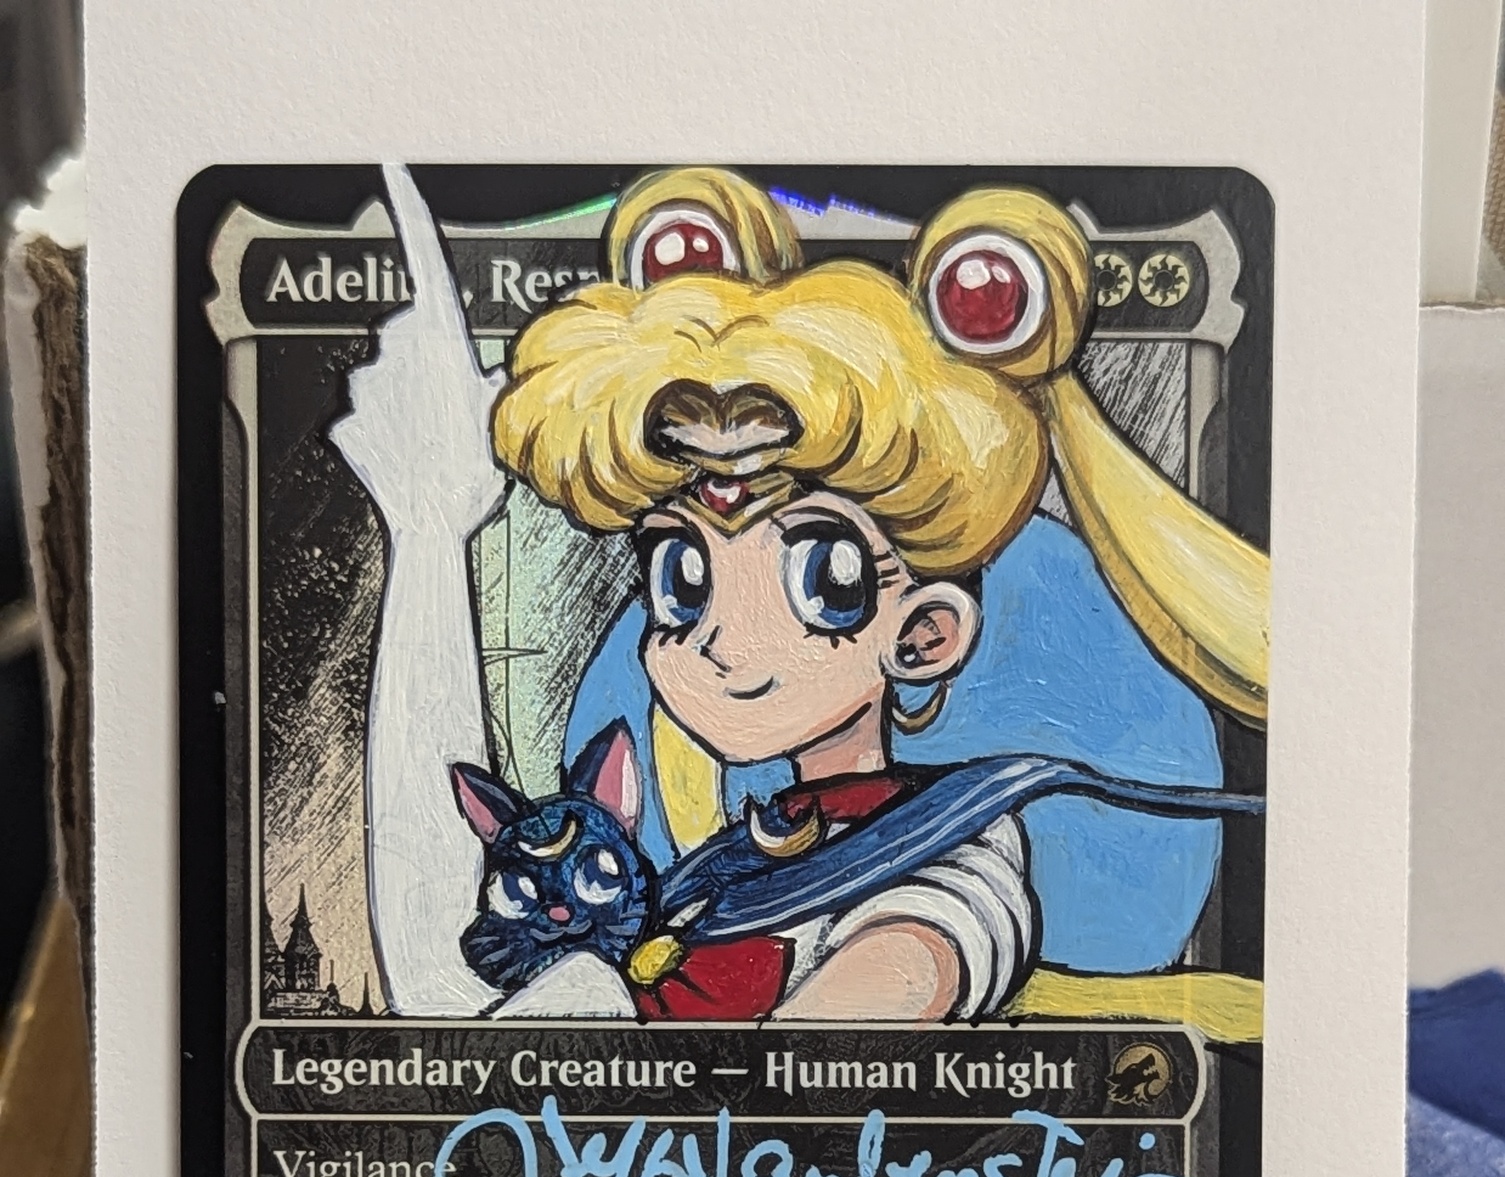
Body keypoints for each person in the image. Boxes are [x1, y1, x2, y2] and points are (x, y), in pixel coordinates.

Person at [334, 166, 1268, 1023]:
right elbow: (449, 1001)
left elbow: (864, 1017)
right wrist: (427, 534)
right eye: (682, 579)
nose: (719, 639)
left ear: (924, 636)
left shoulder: (941, 859)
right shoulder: (719, 871)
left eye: (821, 579)